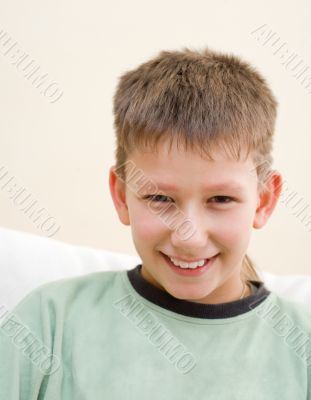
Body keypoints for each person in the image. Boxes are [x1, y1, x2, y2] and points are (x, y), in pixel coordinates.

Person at [0, 46, 310, 399]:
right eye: (160, 199)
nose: (189, 237)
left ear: (264, 200)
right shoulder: (48, 323)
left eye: (221, 199)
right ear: (121, 196)